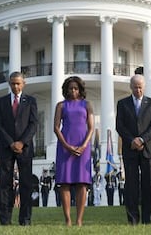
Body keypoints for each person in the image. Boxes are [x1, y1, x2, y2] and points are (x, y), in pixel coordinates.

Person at [0, 71, 38, 226]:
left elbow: (33, 124)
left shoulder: (31, 101)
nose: (16, 86)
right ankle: (5, 219)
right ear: (9, 84)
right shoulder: (1, 102)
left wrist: (21, 142)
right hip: (7, 148)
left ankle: (25, 219)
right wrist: (11, 142)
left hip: (24, 148)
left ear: (23, 84)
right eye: (13, 83)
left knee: (26, 184)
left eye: (18, 83)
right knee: (5, 184)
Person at [116, 74, 151, 225]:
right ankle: (133, 219)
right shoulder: (122, 103)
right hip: (130, 150)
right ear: (131, 87)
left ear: (144, 87)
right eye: (136, 87)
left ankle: (148, 219)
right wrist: (131, 140)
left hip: (148, 150)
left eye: (140, 87)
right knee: (131, 186)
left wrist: (141, 139)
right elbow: (119, 126)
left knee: (147, 186)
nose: (138, 90)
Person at [54, 76, 94, 226]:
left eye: (76, 88)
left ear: (80, 89)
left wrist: (83, 145)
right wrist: (67, 146)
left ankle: (79, 220)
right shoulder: (61, 106)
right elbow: (56, 128)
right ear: (66, 89)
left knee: (82, 183)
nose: (73, 91)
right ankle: (68, 220)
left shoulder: (87, 105)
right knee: (64, 183)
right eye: (70, 88)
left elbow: (91, 128)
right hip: (65, 147)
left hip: (83, 147)